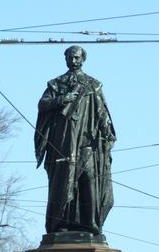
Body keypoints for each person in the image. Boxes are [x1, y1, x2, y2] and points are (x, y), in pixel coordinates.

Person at [34, 46, 116, 235]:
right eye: (70, 57)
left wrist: (107, 129)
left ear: (83, 59)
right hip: (63, 142)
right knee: (64, 181)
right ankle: (60, 223)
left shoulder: (93, 84)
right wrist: (62, 99)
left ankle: (90, 223)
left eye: (77, 57)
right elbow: (42, 105)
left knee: (89, 180)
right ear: (65, 59)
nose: (73, 61)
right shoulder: (56, 84)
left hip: (87, 142)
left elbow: (102, 112)